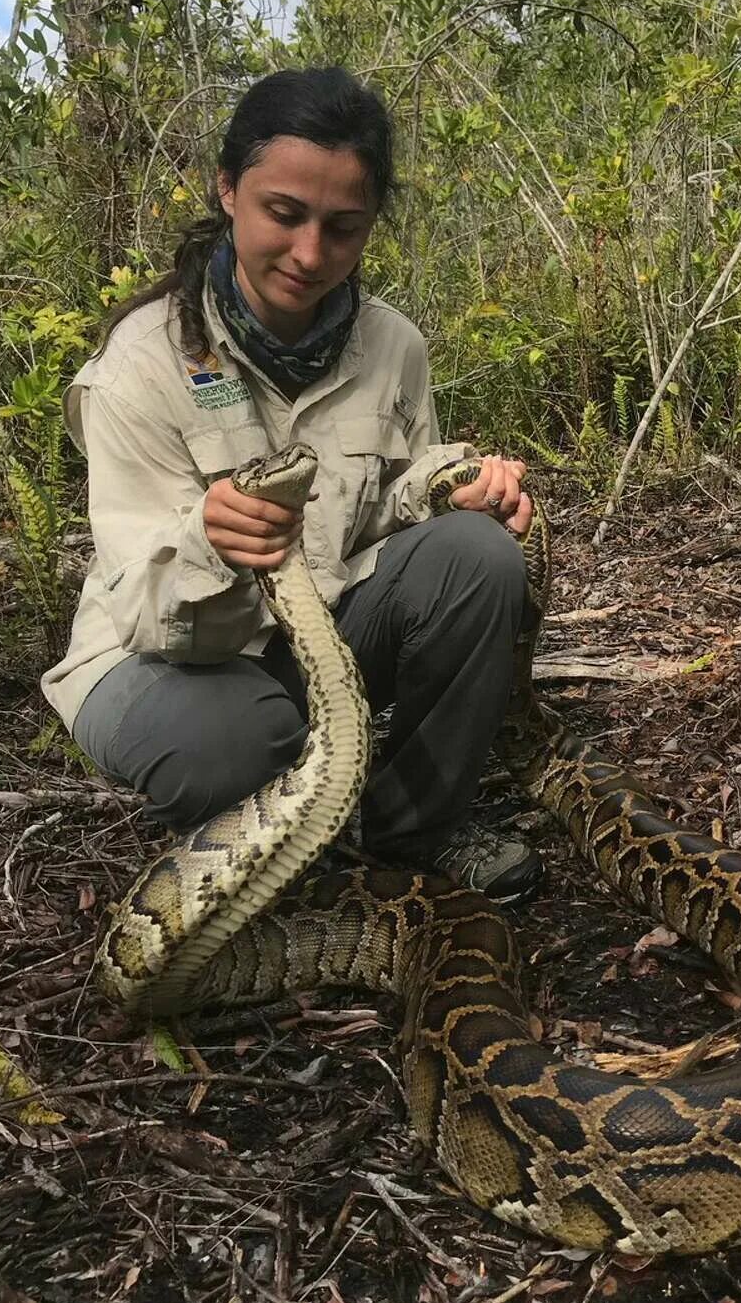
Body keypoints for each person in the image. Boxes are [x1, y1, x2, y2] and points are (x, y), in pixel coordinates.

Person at [42, 66, 544, 905]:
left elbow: (379, 509)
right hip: (154, 656)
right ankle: (304, 790)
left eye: (343, 229)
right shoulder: (138, 363)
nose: (311, 255)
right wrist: (210, 540)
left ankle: (413, 826)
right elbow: (143, 606)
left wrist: (446, 493)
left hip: (314, 627)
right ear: (229, 188)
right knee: (236, 746)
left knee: (478, 555)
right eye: (285, 214)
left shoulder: (393, 347)